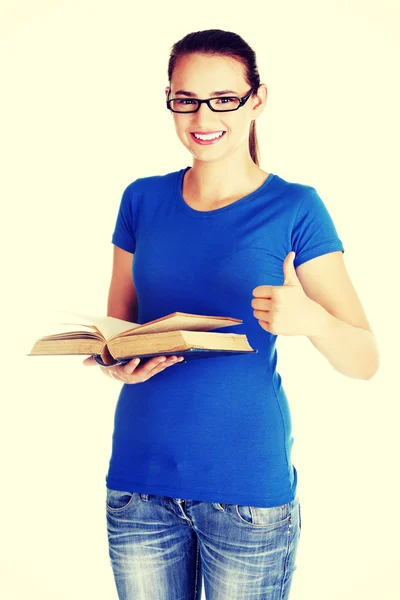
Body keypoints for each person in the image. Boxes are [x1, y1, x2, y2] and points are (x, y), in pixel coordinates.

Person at [83, 28, 379, 600]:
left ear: (256, 100)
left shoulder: (296, 207)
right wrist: (113, 362)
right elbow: (117, 329)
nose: (202, 116)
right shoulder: (141, 198)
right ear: (169, 99)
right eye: (185, 99)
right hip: (138, 485)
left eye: (224, 99)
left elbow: (365, 360)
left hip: (245, 494)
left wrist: (311, 319)